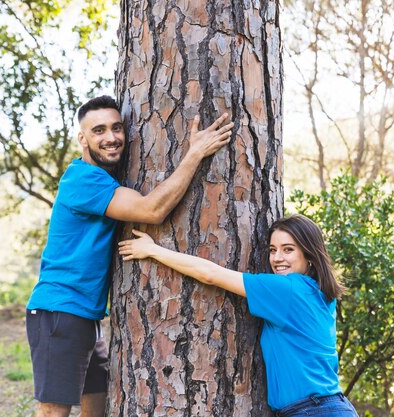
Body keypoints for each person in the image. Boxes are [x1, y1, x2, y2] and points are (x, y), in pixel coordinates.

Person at [26, 95, 234, 417]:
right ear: (83, 139)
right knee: (54, 412)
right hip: (59, 312)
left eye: (116, 128)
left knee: (95, 406)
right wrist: (195, 153)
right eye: (98, 130)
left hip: (84, 316)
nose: (110, 137)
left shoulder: (101, 179)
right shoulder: (83, 180)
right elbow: (152, 209)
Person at [118, 214, 360, 417]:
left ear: (309, 255)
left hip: (314, 410)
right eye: (273, 250)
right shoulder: (317, 292)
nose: (277, 259)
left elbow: (210, 274)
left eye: (288, 250)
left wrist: (153, 250)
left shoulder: (289, 289)